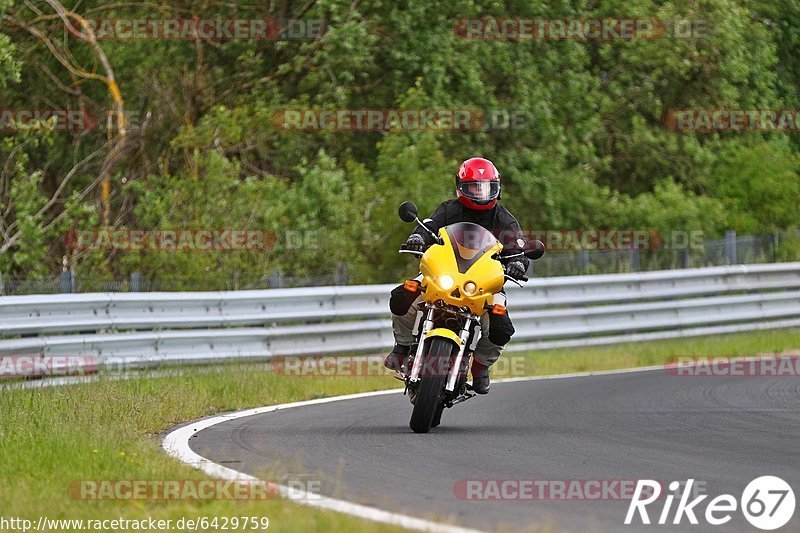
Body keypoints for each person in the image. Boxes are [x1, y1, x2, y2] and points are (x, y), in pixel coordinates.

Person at [385, 157, 529, 394]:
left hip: (483, 286)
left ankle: (481, 366)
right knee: (403, 295)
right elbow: (427, 227)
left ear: (497, 188)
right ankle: (402, 346)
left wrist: (519, 264)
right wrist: (418, 238)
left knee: (500, 326)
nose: (480, 193)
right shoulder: (448, 209)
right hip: (444, 276)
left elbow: (518, 249)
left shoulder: (504, 220)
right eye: (474, 187)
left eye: (486, 187)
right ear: (460, 187)